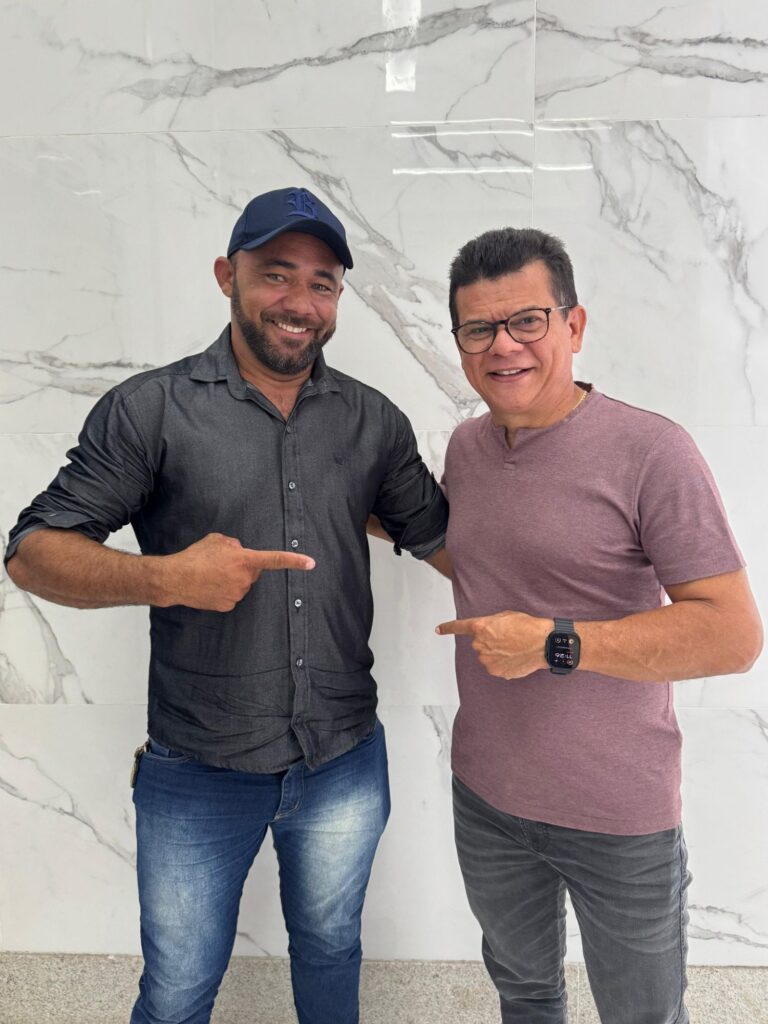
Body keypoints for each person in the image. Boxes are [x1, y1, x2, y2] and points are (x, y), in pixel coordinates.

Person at [4, 186, 449, 1024]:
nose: (299, 301)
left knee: (332, 952)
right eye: (276, 274)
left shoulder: (373, 422)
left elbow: (440, 535)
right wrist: (167, 577)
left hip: (343, 758)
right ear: (227, 276)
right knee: (177, 991)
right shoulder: (151, 410)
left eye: (322, 283)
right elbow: (33, 552)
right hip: (198, 770)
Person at [434, 227, 763, 1024]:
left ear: (574, 325)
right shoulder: (468, 448)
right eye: (479, 328)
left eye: (527, 320)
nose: (503, 345)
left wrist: (556, 643)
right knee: (525, 995)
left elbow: (733, 635)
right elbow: (477, 554)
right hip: (487, 798)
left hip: (619, 814)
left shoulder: (652, 451)